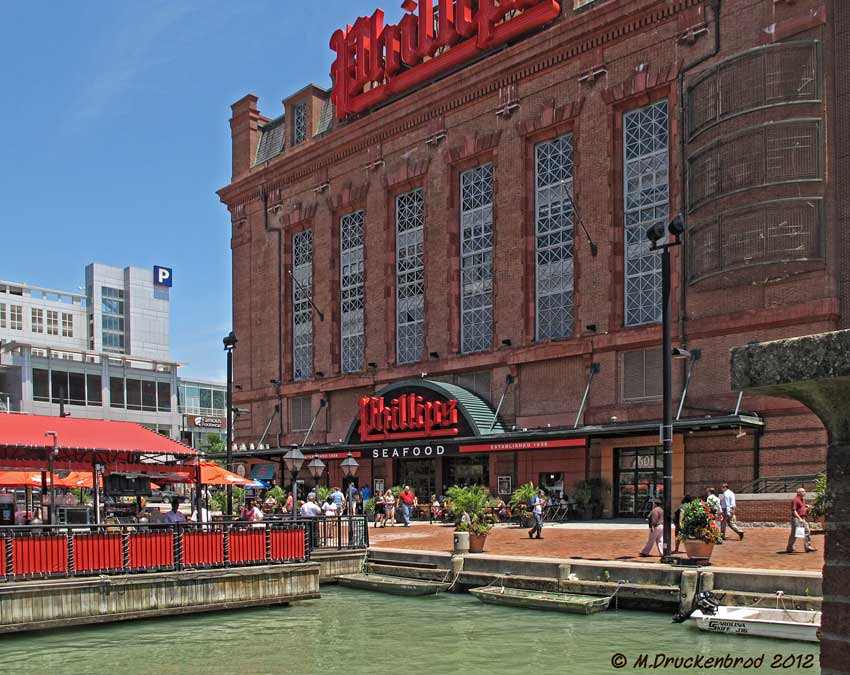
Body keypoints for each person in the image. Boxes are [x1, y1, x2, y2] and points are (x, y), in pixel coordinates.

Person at [786, 487, 816, 553]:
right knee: (795, 534)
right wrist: (799, 518)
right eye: (803, 491)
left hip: (803, 518)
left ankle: (808, 547)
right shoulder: (795, 500)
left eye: (804, 491)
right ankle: (789, 548)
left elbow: (802, 509)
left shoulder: (802, 500)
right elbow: (794, 510)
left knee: (807, 531)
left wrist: (808, 508)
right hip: (797, 519)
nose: (805, 492)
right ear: (798, 493)